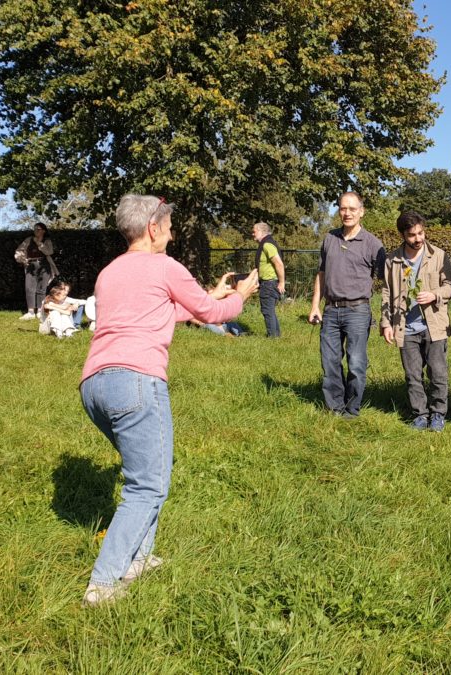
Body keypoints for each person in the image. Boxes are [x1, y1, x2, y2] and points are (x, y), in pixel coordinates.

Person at [79, 194, 258, 606]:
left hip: (93, 385)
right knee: (146, 486)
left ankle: (138, 557)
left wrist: (208, 297)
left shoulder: (109, 272)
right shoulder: (164, 265)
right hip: (136, 381)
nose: (173, 232)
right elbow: (215, 316)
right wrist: (241, 295)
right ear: (153, 228)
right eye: (170, 225)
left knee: (149, 473)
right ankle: (103, 584)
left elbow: (162, 311)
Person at [307, 192, 386, 419]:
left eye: (352, 209)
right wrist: (315, 306)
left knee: (356, 363)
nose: (347, 213)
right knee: (330, 362)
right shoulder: (329, 239)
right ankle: (335, 408)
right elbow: (321, 275)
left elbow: (386, 279)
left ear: (361, 211)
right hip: (331, 310)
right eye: (343, 208)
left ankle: (351, 409)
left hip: (358, 311)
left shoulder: (372, 244)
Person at [380, 212, 451, 432]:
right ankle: (420, 415)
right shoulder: (392, 260)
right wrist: (386, 323)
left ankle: (438, 414)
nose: (418, 238)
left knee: (438, 373)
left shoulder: (439, 256)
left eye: (421, 233)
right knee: (413, 375)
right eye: (412, 235)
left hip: (434, 326)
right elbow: (386, 292)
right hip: (406, 328)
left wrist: (434, 295)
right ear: (403, 235)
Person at [15, 222, 58, 320]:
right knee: (29, 287)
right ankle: (30, 312)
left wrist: (39, 243)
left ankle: (39, 311)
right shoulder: (28, 240)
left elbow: (49, 251)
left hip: (44, 265)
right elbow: (19, 250)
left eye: (38, 229)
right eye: (34, 229)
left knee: (42, 288)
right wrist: (22, 259)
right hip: (31, 264)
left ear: (43, 230)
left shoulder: (47, 240)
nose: (36, 231)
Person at [251, 222, 286, 337]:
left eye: (254, 231)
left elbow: (279, 264)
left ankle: (272, 337)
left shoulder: (267, 245)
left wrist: (282, 282)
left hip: (269, 283)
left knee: (267, 310)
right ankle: (276, 335)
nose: (253, 234)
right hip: (268, 283)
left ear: (261, 231)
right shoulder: (266, 244)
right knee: (269, 310)